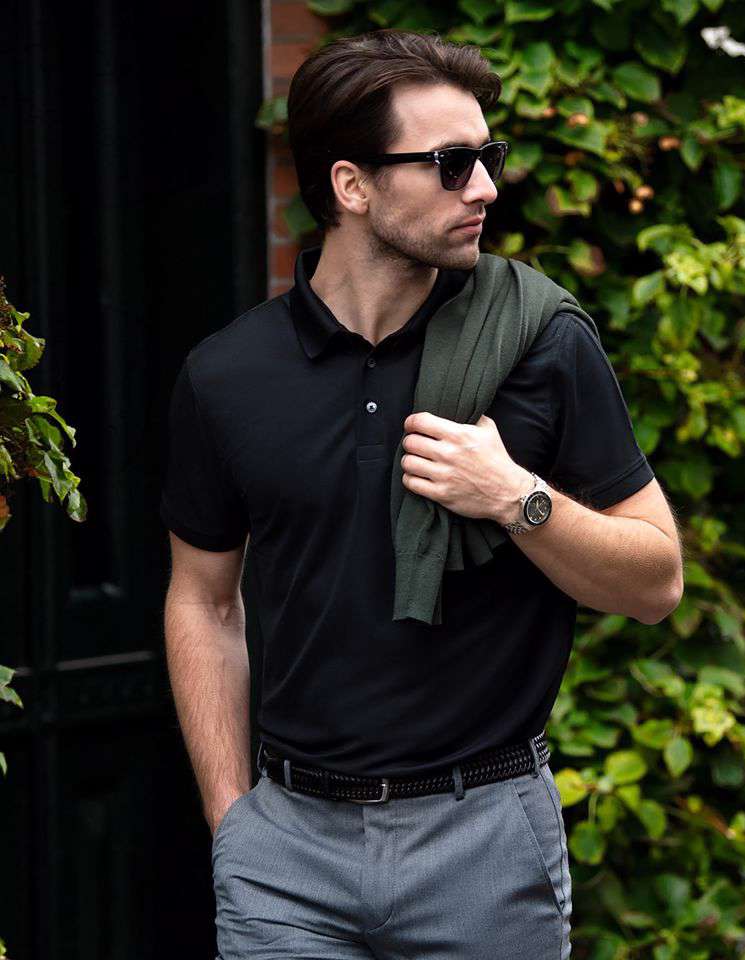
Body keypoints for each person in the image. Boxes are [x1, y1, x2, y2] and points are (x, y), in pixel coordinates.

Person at [159, 28, 684, 960]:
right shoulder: (227, 375)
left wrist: (518, 498)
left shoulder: (540, 342)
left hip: (484, 845)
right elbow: (204, 600)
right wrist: (232, 816)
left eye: (488, 158)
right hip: (288, 855)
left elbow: (655, 582)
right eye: (450, 164)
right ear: (352, 186)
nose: (484, 188)